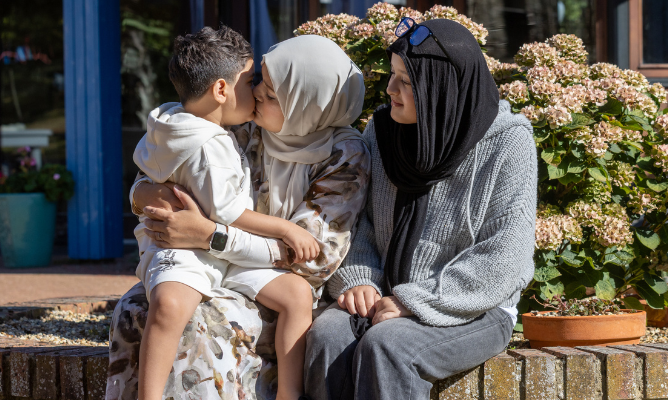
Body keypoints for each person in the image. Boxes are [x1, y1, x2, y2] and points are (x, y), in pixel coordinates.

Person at [107, 34, 370, 400]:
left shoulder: (343, 155)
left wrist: (209, 235)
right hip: (209, 263)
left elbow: (312, 259)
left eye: (274, 94)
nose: (258, 93)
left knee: (202, 320)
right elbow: (158, 173)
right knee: (133, 308)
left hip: (277, 285)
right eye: (260, 81)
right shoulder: (245, 124)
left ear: (307, 105)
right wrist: (147, 196)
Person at [303, 18, 538, 400]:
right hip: (384, 295)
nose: (391, 90)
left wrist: (414, 301)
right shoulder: (381, 133)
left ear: (440, 89)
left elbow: (505, 258)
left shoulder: (508, 144)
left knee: (389, 347)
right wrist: (359, 276)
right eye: (392, 75)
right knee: (326, 335)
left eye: (406, 82)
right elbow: (356, 219)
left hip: (473, 308)